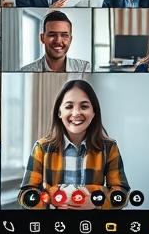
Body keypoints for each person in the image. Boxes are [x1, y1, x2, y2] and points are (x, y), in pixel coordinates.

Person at [19, 79, 130, 209]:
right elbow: (25, 195)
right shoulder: (41, 148)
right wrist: (52, 199)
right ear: (59, 112)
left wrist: (96, 202)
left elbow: (122, 193)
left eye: (84, 106)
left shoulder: (109, 148)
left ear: (94, 112)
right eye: (69, 106)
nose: (76, 113)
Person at [19, 11, 90, 74]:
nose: (58, 41)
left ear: (70, 40)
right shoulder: (25, 71)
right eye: (52, 35)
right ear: (42, 38)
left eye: (64, 35)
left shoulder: (84, 68)